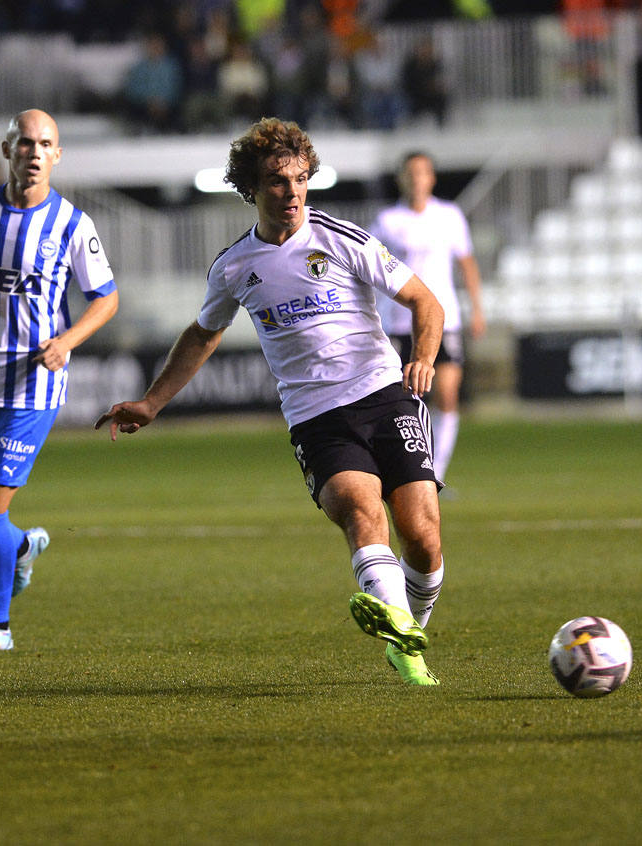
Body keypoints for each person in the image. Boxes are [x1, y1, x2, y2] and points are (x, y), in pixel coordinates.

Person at [96, 118, 448, 686]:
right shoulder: (235, 266)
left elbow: (425, 302)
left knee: (423, 535)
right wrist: (153, 402)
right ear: (251, 189)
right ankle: (405, 643)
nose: (293, 193)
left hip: (387, 394)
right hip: (317, 417)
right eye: (279, 183)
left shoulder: (342, 239)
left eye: (301, 179)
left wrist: (425, 356)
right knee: (362, 511)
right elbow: (203, 333)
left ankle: (409, 622)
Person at [0, 109, 119, 652]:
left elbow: (106, 298)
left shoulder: (71, 225)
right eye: (25, 143)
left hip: (33, 386)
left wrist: (66, 342)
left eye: (46, 144)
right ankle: (17, 548)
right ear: (7, 149)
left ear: (56, 156)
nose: (35, 152)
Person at [371, 151, 485, 484]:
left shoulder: (449, 216)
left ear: (432, 177)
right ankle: (409, 469)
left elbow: (467, 263)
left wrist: (477, 308)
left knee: (446, 395)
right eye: (411, 172)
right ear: (401, 178)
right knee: (403, 401)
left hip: (443, 320)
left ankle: (437, 471)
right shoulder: (387, 221)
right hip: (398, 322)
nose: (417, 178)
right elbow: (371, 270)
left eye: (423, 172)